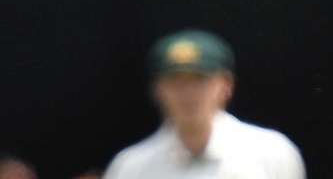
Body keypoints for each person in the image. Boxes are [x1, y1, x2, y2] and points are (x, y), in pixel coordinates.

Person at [102, 29, 305, 179]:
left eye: (199, 80)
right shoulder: (130, 169)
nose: (188, 93)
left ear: (226, 85)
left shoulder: (272, 154)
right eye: (175, 81)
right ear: (157, 90)